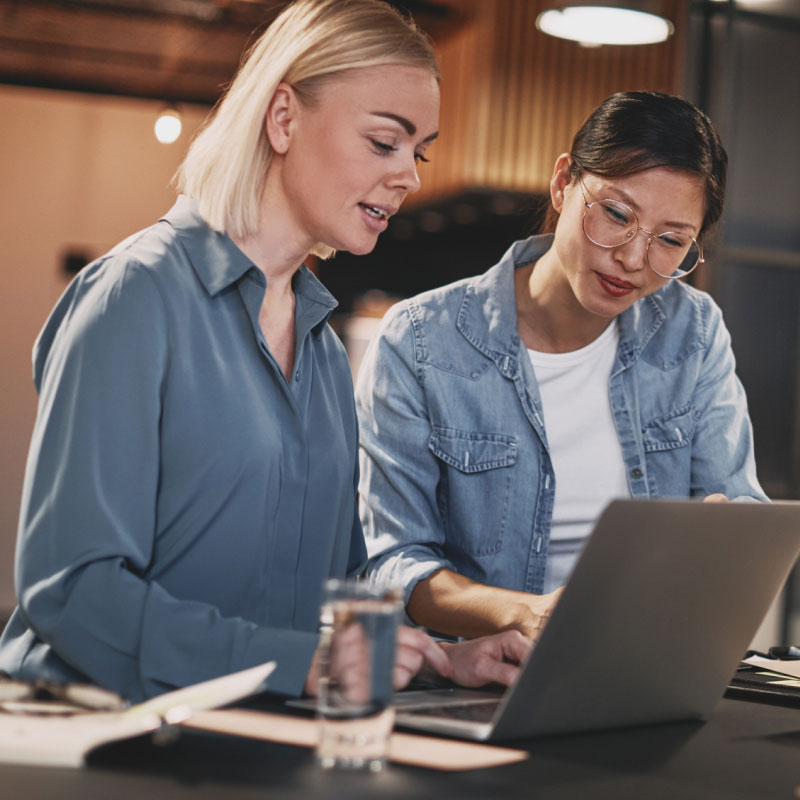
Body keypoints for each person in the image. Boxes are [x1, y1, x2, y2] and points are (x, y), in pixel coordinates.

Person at [0, 0, 529, 704]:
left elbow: (337, 580)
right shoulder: (136, 295)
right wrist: (302, 663)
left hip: (257, 731)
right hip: (107, 733)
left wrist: (439, 657)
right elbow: (71, 591)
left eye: (420, 151)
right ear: (283, 118)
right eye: (384, 143)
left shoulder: (322, 348)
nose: (410, 176)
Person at [356, 90, 768, 642]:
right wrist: (522, 612)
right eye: (617, 214)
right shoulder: (421, 342)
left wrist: (732, 535)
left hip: (644, 662)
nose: (632, 258)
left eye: (671, 241)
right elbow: (390, 565)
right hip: (478, 678)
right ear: (562, 182)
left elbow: (739, 505)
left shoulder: (691, 332)